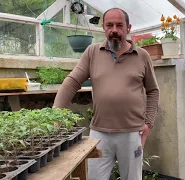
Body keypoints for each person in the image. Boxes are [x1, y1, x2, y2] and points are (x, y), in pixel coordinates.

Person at [53, 7, 160, 180]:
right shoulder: (92, 52)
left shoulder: (142, 56)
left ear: (128, 28)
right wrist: (56, 114)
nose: (114, 30)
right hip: (99, 133)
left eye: (119, 25)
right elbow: (72, 82)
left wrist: (148, 123)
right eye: (109, 25)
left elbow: (153, 91)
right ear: (103, 27)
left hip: (132, 133)